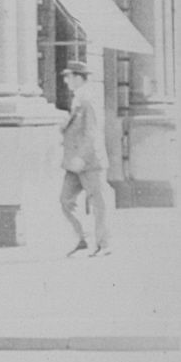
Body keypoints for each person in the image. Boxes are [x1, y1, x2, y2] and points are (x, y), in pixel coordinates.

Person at [59, 60, 111, 257]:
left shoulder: (88, 99)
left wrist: (81, 157)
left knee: (99, 203)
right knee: (65, 200)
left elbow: (92, 132)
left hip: (89, 162)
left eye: (68, 76)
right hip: (74, 163)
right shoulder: (79, 98)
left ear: (79, 77)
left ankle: (104, 244)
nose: (66, 81)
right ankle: (84, 239)